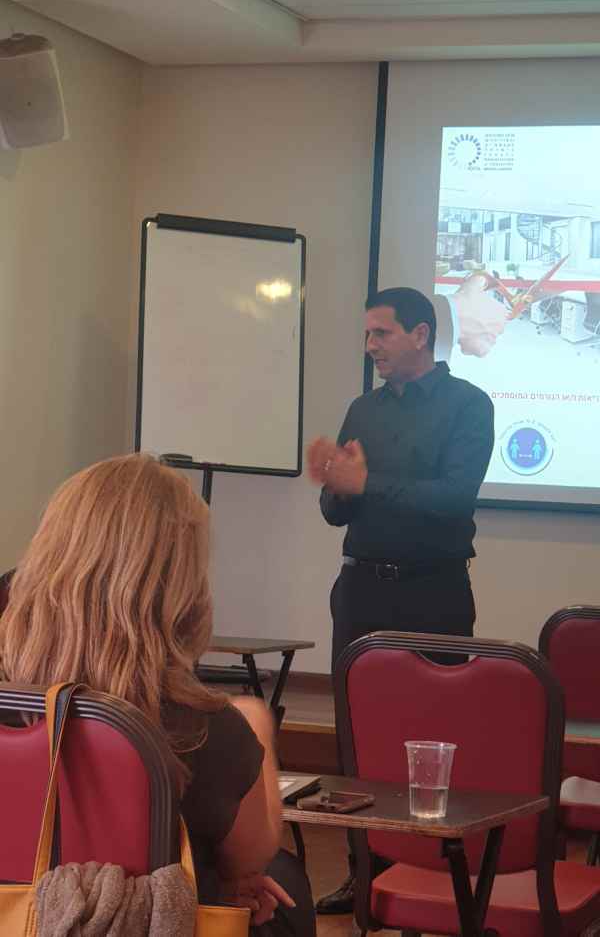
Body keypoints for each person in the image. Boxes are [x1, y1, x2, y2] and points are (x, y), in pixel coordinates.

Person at [0, 454, 315, 937]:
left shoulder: (11, 703)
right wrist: (258, 726)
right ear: (181, 586)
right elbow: (250, 858)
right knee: (281, 884)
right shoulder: (207, 728)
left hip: (21, 915)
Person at [307, 287, 494, 914]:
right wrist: (336, 486)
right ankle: (365, 874)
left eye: (381, 334)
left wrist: (367, 482)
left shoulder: (469, 405)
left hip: (433, 591)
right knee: (358, 736)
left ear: (420, 335)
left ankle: (432, 873)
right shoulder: (362, 409)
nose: (371, 346)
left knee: (434, 733)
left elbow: (455, 498)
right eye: (367, 335)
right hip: (360, 590)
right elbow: (336, 512)